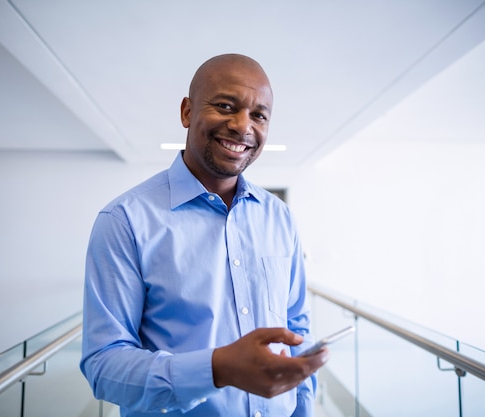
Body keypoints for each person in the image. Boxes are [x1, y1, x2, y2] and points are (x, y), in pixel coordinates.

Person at [80, 53, 328, 416]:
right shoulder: (124, 220)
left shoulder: (279, 217)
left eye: (259, 115)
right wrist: (217, 368)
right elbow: (104, 366)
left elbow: (296, 327)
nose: (243, 126)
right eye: (226, 106)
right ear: (186, 112)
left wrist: (302, 408)